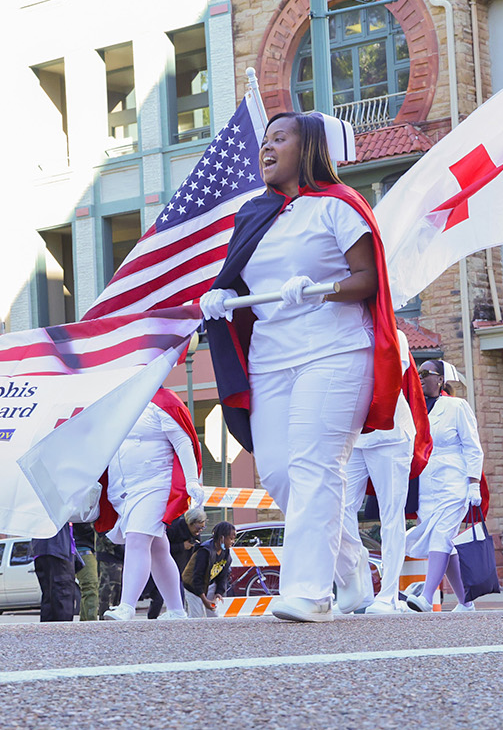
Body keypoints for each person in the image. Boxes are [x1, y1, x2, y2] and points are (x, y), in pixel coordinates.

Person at [200, 112, 402, 623]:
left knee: (316, 464)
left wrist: (321, 287)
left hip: (333, 347)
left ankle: (310, 592)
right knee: (279, 472)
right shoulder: (253, 215)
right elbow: (242, 282)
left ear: (307, 147)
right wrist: (226, 295)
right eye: (264, 141)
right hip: (272, 355)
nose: (266, 148)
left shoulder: (337, 205)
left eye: (279, 139)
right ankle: (353, 569)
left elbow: (368, 278)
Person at [333, 330, 432, 615]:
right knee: (340, 509)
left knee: (391, 514)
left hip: (389, 432)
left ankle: (388, 594)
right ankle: (360, 587)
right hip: (355, 433)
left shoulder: (392, 333)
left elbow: (389, 375)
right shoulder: (342, 330)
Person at [97, 392, 204, 622]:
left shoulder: (163, 402)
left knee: (137, 539)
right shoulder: (117, 402)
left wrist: (191, 480)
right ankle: (177, 610)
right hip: (126, 489)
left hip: (156, 483)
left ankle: (127, 606)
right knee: (158, 547)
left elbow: (183, 441)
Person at [403, 360, 484, 612]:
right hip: (425, 484)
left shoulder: (456, 406)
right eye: (419, 373)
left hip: (454, 480)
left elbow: (472, 446)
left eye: (428, 374)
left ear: (440, 380)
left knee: (441, 535)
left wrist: (474, 484)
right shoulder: (412, 408)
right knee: (444, 544)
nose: (422, 377)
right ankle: (466, 602)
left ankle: (426, 596)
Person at [144, 507, 207, 619]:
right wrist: (182, 546)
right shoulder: (174, 527)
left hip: (181, 567)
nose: (200, 531)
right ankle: (152, 619)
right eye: (198, 527)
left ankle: (177, 615)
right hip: (165, 566)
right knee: (159, 595)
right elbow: (160, 549)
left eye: (203, 527)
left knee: (178, 593)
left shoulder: (195, 533)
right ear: (190, 522)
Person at [182, 521, 236, 618]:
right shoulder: (205, 551)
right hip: (193, 586)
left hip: (209, 584)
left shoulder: (226, 554)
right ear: (222, 538)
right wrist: (204, 599)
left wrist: (218, 593)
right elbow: (197, 577)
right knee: (197, 616)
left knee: (214, 614)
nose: (233, 542)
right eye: (231, 539)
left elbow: (223, 576)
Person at [32, 524, 80, 622]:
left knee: (49, 597)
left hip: (42, 547)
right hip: (58, 548)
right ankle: (62, 634)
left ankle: (48, 633)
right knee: (62, 595)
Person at [72, 521, 100, 621]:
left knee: (88, 588)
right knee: (90, 586)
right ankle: (90, 622)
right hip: (83, 547)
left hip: (82, 546)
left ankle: (86, 622)